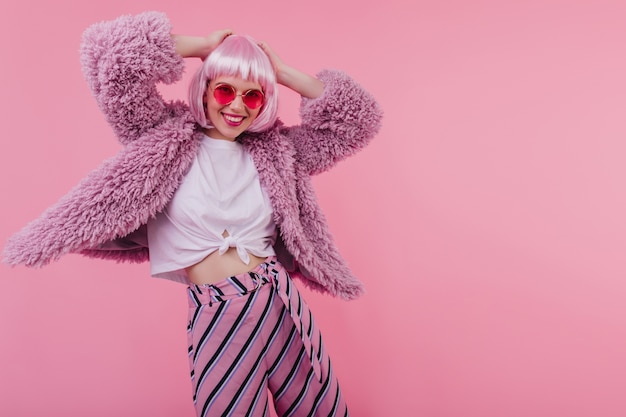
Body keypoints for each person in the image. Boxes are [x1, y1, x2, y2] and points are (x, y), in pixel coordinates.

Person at [3, 11, 382, 417]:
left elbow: (357, 122)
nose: (237, 106)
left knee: (321, 410)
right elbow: (110, 53)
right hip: (217, 305)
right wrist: (202, 46)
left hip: (278, 297)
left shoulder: (278, 152)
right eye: (224, 90)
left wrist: (282, 73)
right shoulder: (159, 136)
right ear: (204, 91)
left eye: (251, 95)